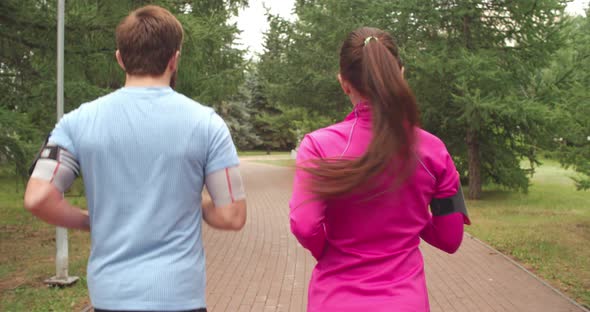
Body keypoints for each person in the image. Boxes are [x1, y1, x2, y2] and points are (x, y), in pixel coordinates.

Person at [24, 5, 246, 312]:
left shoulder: (75, 123)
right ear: (174, 59)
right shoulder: (207, 124)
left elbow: (38, 198)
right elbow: (232, 216)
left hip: (110, 295)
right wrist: (196, 200)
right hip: (179, 296)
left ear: (120, 58)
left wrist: (90, 221)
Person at [289, 27, 470, 312]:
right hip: (405, 302)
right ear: (400, 73)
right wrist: (414, 216)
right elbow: (449, 238)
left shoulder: (318, 147)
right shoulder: (434, 151)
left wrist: (329, 253)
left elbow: (304, 225)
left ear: (343, 82)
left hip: (336, 300)